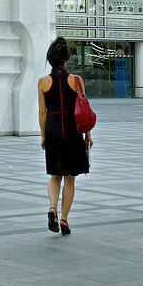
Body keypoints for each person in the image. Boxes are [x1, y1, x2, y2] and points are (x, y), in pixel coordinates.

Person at [38, 36, 93, 235]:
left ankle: (52, 207)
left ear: (50, 59)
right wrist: (87, 135)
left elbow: (42, 112)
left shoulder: (43, 82)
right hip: (72, 130)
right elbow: (84, 110)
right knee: (70, 178)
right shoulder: (77, 81)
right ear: (66, 59)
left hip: (53, 128)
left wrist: (43, 135)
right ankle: (63, 219)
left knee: (55, 176)